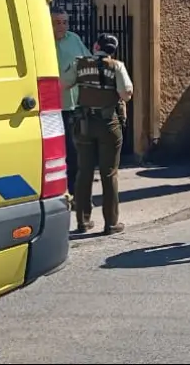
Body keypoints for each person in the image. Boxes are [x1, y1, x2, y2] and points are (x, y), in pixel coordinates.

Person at [61, 34, 133, 233]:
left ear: (96, 46)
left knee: (84, 172)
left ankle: (83, 222)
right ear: (113, 50)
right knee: (109, 173)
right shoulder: (117, 66)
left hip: (84, 123)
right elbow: (126, 93)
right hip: (109, 123)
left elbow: (64, 84)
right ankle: (111, 223)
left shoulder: (80, 64)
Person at [51, 6, 90, 202]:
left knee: (75, 152)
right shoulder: (43, 41)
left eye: (65, 22)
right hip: (53, 108)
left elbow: (87, 60)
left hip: (74, 105)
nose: (62, 26)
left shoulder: (73, 39)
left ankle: (76, 194)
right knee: (57, 153)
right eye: (57, 22)